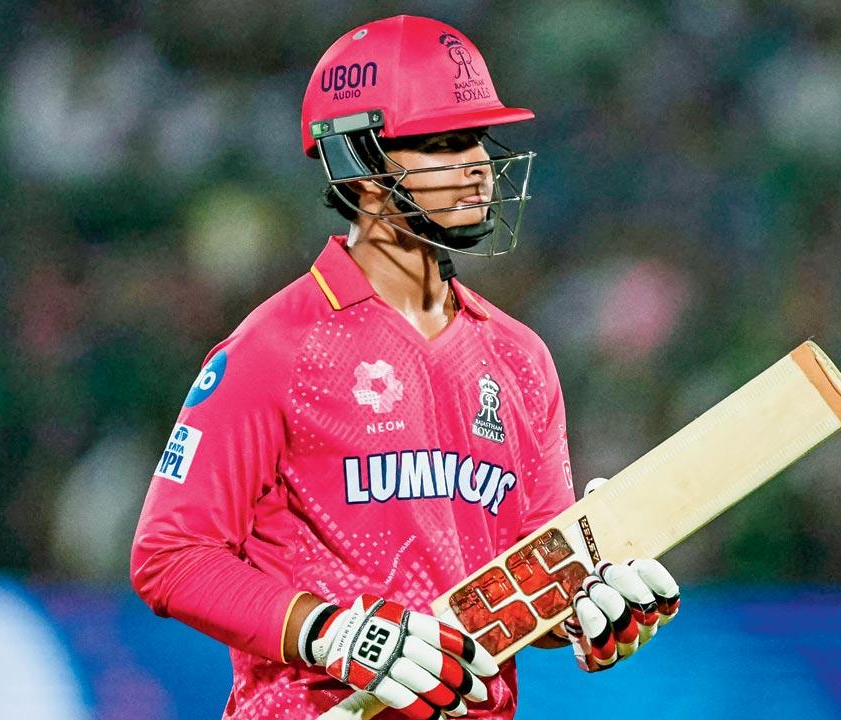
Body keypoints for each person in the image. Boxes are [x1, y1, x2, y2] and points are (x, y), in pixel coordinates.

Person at [130, 15, 679, 720]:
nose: (478, 165)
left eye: (477, 139)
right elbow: (170, 555)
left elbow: (520, 589)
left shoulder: (521, 359)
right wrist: (331, 634)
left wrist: (589, 605)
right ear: (361, 172)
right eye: (443, 144)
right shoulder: (277, 348)